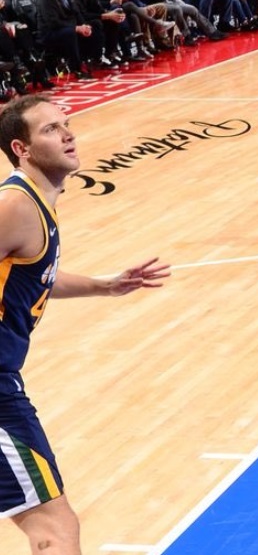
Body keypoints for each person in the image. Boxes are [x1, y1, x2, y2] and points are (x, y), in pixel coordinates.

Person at [0, 94, 170, 553]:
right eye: (51, 129)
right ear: (23, 149)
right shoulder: (15, 205)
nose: (69, 133)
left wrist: (104, 286)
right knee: (54, 528)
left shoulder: (36, 204)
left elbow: (33, 278)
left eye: (67, 123)